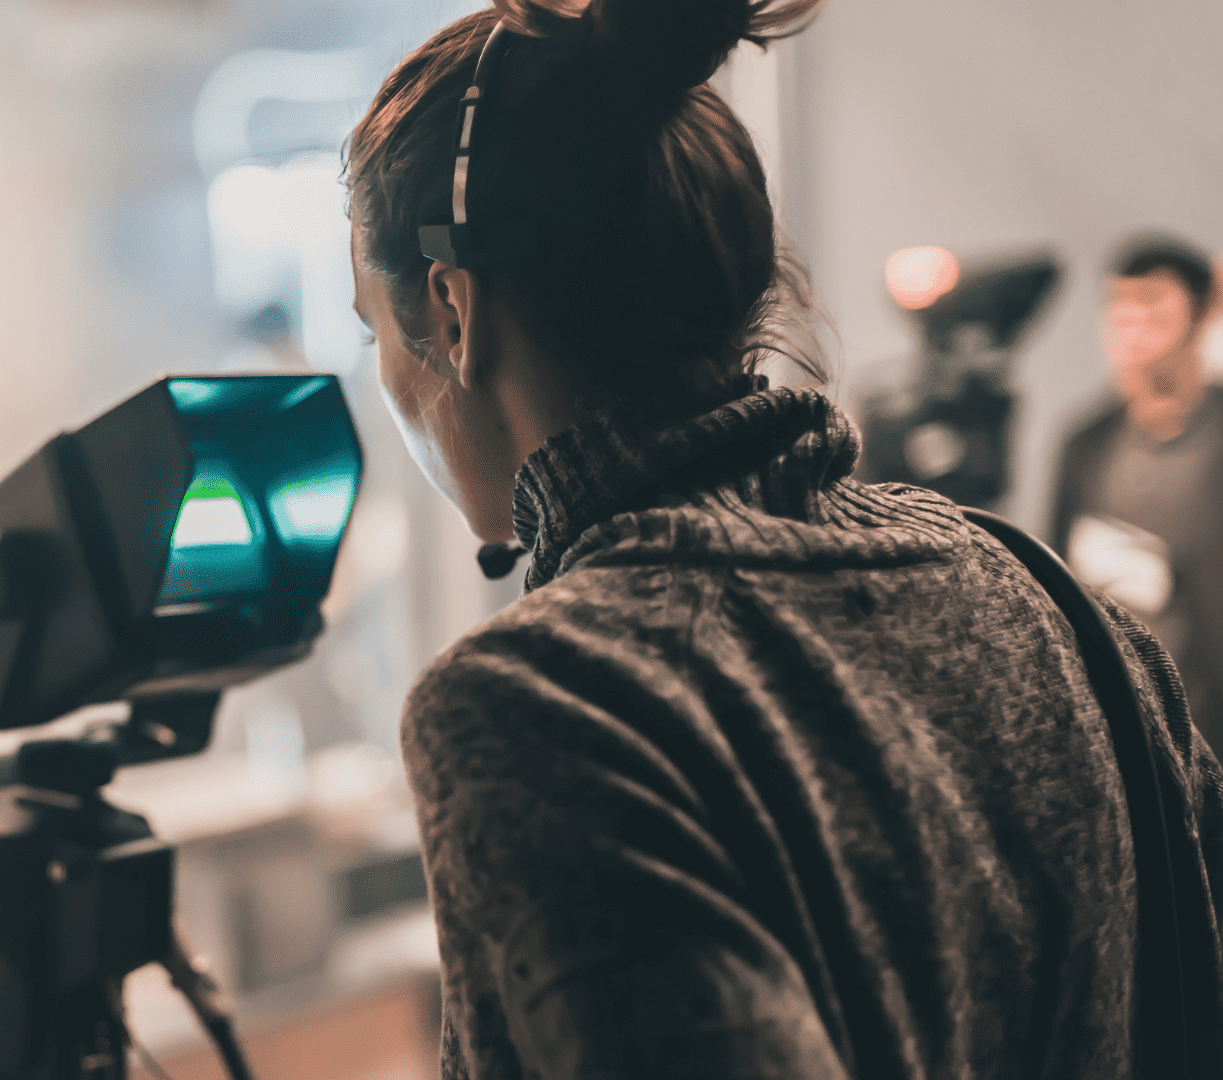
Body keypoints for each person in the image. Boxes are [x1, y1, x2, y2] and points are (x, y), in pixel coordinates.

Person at [345, 1, 1223, 1077]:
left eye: (371, 327)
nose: (385, 372)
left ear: (452, 310)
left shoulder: (546, 702)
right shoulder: (1047, 597)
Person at [1054, 235, 1223, 751]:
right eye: (1119, 310)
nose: (1131, 331)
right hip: (1114, 726)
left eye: (1152, 310)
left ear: (1198, 320)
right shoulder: (1086, 442)